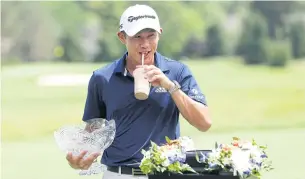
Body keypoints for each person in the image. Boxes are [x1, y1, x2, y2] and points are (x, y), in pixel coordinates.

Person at [66, 4, 212, 179]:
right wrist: (81, 156)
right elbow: (93, 129)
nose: (145, 44)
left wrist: (170, 87)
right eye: (137, 37)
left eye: (151, 36)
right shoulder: (102, 78)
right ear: (122, 37)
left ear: (159, 33)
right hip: (118, 174)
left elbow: (204, 123)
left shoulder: (177, 72)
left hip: (165, 173)